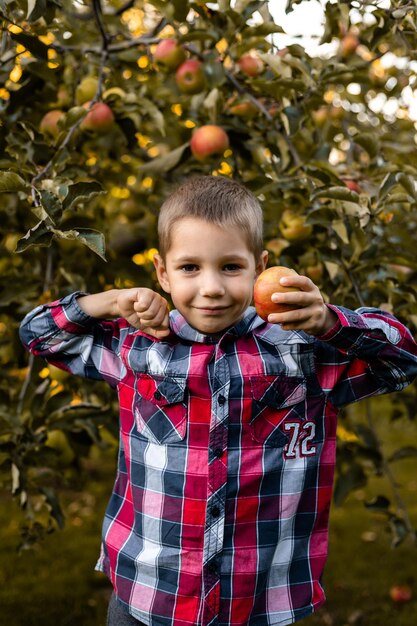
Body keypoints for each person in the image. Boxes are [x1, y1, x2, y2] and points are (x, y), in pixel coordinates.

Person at [20, 175, 417, 626]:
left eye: (230, 267)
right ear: (162, 273)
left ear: (259, 266)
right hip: (151, 593)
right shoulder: (138, 348)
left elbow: (401, 359)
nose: (211, 287)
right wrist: (108, 301)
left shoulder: (301, 351)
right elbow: (40, 335)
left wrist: (330, 321)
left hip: (258, 599)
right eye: (190, 268)